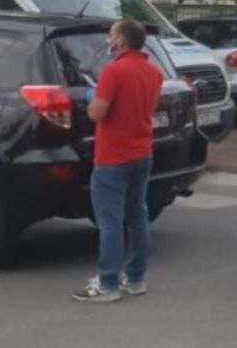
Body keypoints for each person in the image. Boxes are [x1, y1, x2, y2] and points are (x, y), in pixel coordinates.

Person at [73, 20, 164, 302]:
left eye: (111, 35)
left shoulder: (113, 70)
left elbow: (97, 113)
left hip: (112, 156)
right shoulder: (154, 72)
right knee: (137, 215)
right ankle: (135, 278)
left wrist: (93, 95)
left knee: (110, 222)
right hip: (142, 152)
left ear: (122, 41)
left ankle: (107, 283)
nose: (107, 40)